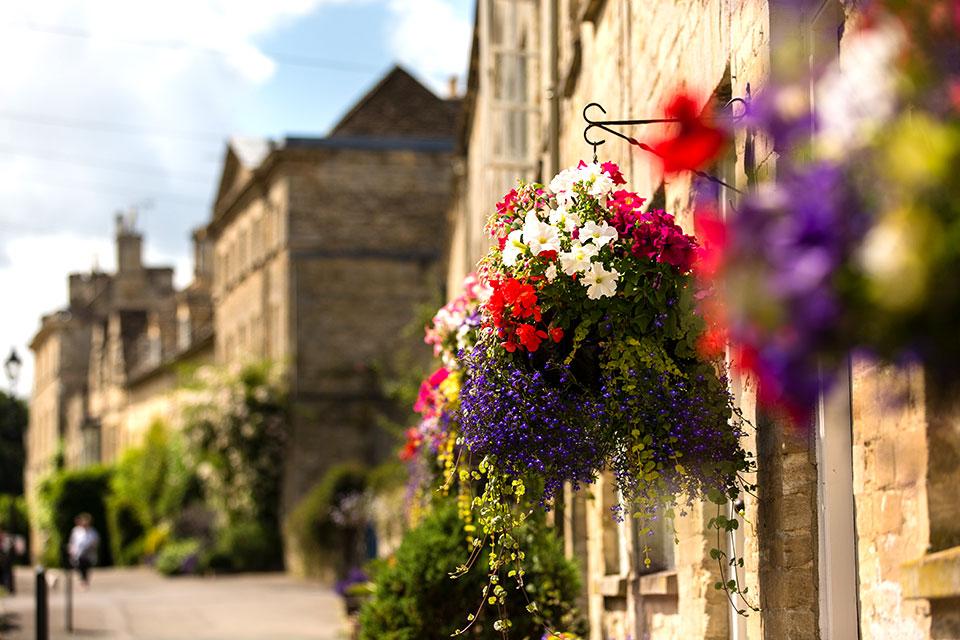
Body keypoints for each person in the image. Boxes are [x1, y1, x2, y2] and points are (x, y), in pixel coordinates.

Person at [67, 513, 100, 588]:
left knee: (86, 566)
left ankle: (84, 580)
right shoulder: (76, 531)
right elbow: (72, 541)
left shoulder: (92, 532)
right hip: (78, 552)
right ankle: (83, 580)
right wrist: (71, 549)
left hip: (88, 553)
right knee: (79, 566)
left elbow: (95, 541)